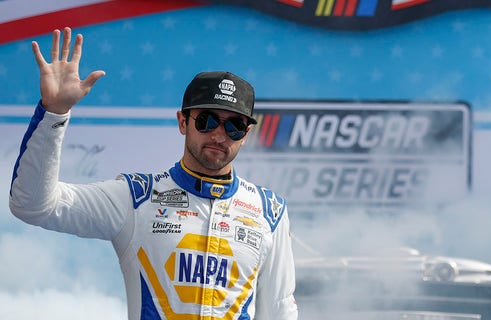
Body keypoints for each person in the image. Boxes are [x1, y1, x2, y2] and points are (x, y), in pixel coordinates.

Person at [9, 27, 298, 320]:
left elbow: (279, 310)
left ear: (246, 134)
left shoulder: (268, 211)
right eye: (207, 121)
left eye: (233, 126)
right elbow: (33, 205)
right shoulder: (137, 197)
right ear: (183, 122)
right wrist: (54, 113)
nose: (219, 135)